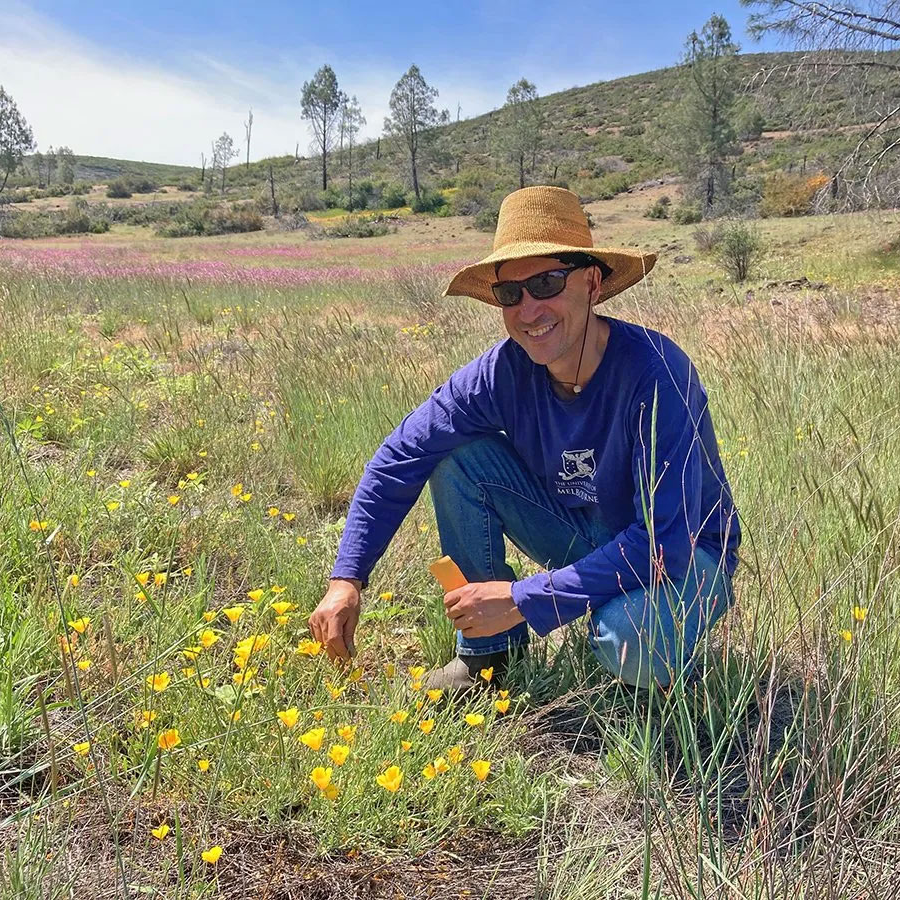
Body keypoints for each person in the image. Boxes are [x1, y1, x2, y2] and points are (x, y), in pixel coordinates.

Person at [308, 185, 741, 692]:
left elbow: (666, 540)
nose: (529, 309)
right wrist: (346, 580)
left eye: (547, 283)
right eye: (510, 293)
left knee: (627, 638)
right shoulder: (501, 373)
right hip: (583, 534)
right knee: (458, 458)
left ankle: (665, 690)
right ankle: (489, 660)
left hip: (685, 558)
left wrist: (523, 599)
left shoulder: (656, 373)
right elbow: (400, 455)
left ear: (592, 284)